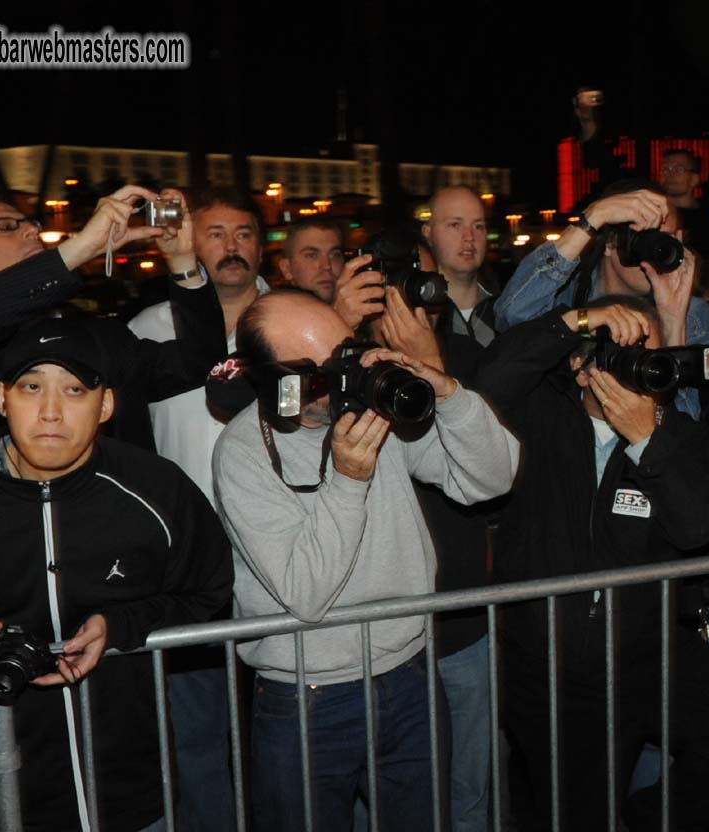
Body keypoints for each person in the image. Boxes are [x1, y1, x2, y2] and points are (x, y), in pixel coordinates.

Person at [0, 317, 233, 832]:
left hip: (126, 783)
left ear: (107, 405)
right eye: (31, 387)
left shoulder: (156, 488)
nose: (51, 412)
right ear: (2, 399)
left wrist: (121, 625)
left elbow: (209, 593)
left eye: (74, 390)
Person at [212, 289, 518, 832]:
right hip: (306, 695)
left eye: (346, 354)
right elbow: (306, 593)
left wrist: (448, 393)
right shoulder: (243, 451)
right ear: (273, 381)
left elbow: (489, 481)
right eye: (322, 371)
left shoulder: (375, 415)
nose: (344, 378)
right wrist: (349, 481)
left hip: (410, 674)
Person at [475, 295, 709, 831]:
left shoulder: (676, 435)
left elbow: (698, 529)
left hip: (649, 650)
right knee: (575, 812)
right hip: (553, 665)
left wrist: (646, 442)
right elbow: (488, 381)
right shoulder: (539, 415)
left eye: (650, 351)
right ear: (582, 364)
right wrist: (573, 322)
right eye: (625, 350)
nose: (641, 365)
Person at [127, 186, 270, 832]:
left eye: (243, 233)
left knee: (287, 721)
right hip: (188, 563)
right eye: (215, 234)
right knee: (199, 732)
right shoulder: (148, 330)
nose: (231, 247)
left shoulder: (303, 319)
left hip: (280, 552)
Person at [0, 186, 225, 453]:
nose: (29, 231)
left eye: (31, 224)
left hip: (109, 527)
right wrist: (80, 247)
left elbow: (200, 363)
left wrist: (182, 261)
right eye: (7, 226)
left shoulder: (93, 332)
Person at [413, 185, 500, 832]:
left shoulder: (513, 316)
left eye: (476, 224)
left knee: (474, 760)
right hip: (425, 564)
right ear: (429, 235)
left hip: (484, 570)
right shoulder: (405, 321)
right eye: (452, 224)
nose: (467, 237)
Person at [494, 181, 709, 417]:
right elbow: (510, 318)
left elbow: (685, 434)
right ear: (611, 245)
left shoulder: (693, 315)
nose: (659, 252)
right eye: (649, 239)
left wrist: (673, 321)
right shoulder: (566, 298)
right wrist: (592, 218)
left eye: (667, 241)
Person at [278, 215, 347, 302]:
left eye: (335, 255)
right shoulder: (272, 312)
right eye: (312, 255)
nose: (327, 266)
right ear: (287, 268)